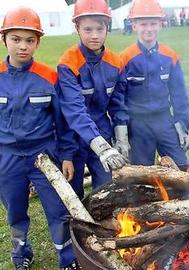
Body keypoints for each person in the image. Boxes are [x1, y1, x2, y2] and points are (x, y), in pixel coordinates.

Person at [0, 6, 81, 270]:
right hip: (8, 159)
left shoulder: (49, 78)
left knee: (57, 210)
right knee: (14, 211)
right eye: (16, 39)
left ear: (38, 42)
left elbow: (64, 124)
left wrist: (67, 156)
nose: (22, 46)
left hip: (43, 157)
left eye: (29, 40)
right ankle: (21, 252)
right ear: (4, 39)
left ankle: (67, 259)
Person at [57, 0, 128, 198]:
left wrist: (121, 138)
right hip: (73, 138)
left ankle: (102, 228)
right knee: (74, 195)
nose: (94, 35)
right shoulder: (68, 63)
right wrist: (100, 147)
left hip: (103, 131)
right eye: (87, 29)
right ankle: (77, 229)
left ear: (108, 27)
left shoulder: (116, 62)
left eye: (99, 28)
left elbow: (118, 103)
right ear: (77, 28)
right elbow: (74, 111)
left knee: (105, 191)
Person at [120, 0, 189, 166]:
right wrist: (122, 133)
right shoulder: (125, 58)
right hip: (138, 124)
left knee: (180, 166)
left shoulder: (170, 56)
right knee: (142, 173)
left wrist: (182, 125)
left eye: (153, 23)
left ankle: (182, 193)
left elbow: (179, 95)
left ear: (161, 24)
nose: (149, 29)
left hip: (164, 120)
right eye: (143, 24)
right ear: (134, 25)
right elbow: (119, 100)